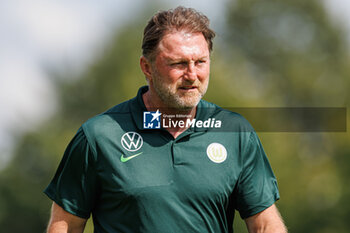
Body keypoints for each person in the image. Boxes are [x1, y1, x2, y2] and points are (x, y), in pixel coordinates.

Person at [44, 6, 287, 233]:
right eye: (178, 63)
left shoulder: (235, 132)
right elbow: (66, 225)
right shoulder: (99, 136)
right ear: (147, 68)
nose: (192, 75)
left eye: (200, 62)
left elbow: (265, 224)